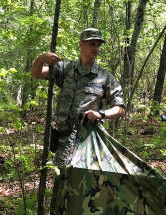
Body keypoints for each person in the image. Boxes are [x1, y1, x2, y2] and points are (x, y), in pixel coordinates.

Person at [31, 27, 125, 169]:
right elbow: (36, 73)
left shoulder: (104, 76)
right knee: (62, 182)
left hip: (87, 141)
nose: (96, 48)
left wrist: (100, 114)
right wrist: (41, 58)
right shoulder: (66, 69)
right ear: (81, 44)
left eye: (98, 44)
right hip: (63, 140)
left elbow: (120, 108)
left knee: (85, 185)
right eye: (92, 43)